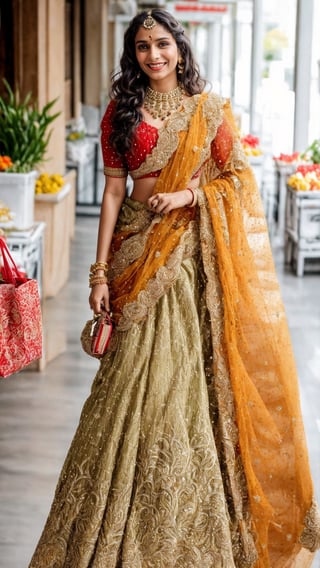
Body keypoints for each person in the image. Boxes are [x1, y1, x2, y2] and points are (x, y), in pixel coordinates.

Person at [29, 9, 320, 567]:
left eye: (162, 44)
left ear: (180, 50)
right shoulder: (121, 111)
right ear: (133, 54)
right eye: (142, 46)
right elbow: (113, 196)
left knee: (187, 388)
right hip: (135, 257)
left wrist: (189, 199)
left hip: (188, 263)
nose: (153, 55)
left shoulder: (208, 110)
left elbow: (237, 179)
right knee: (124, 389)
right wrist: (97, 274)